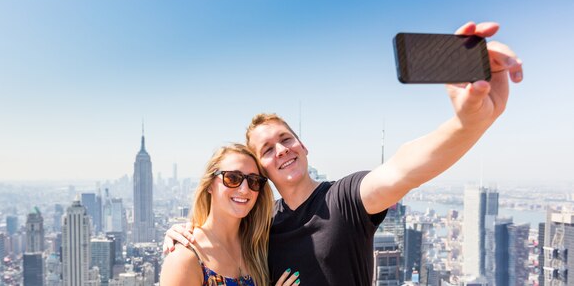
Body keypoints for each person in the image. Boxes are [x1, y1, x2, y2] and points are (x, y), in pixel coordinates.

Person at [164, 21, 524, 285]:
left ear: (303, 147)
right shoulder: (260, 229)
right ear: (264, 171)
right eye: (268, 150)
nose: (282, 151)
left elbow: (404, 168)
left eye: (286, 139)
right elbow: (215, 240)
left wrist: (469, 124)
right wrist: (180, 234)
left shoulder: (345, 200)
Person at [159, 143, 300, 286]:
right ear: (209, 185)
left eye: (253, 181)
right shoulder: (185, 258)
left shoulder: (258, 246)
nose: (245, 190)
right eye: (232, 178)